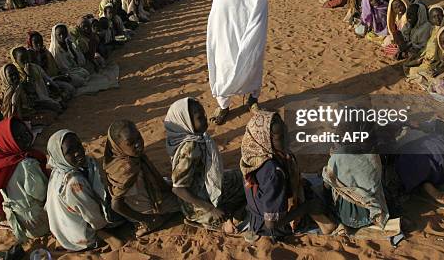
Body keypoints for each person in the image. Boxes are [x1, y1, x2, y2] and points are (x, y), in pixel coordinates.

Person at [241, 111, 335, 239]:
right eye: (280, 137)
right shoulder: (274, 172)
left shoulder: (252, 156)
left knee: (305, 186)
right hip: (272, 228)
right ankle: (324, 224)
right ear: (266, 141)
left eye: (285, 132)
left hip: (257, 216)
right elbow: (271, 224)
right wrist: (306, 208)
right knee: (314, 200)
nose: (286, 139)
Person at [165, 98, 245, 231]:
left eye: (204, 115)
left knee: (242, 178)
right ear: (186, 121)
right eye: (200, 117)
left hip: (203, 185)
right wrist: (211, 208)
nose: (205, 119)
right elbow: (178, 188)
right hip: (196, 202)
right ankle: (205, 221)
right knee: (227, 221)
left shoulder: (194, 137)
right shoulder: (190, 148)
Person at [104, 120, 180, 237]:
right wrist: (146, 219)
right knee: (185, 200)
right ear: (118, 146)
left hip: (142, 197)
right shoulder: (127, 168)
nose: (138, 144)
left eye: (139, 138)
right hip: (146, 209)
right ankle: (153, 222)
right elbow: (116, 205)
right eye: (131, 143)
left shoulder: (129, 157)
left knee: (175, 185)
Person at [46, 130, 117, 251]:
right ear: (60, 155)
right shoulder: (74, 182)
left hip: (62, 230)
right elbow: (93, 216)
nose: (78, 153)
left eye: (79, 146)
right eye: (70, 151)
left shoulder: (58, 169)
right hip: (81, 237)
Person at [321, 108, 389, 230]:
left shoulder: (339, 156)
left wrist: (333, 158)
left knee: (330, 181)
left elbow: (328, 183)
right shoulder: (373, 155)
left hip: (347, 218)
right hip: (372, 214)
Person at [0, 117, 50, 240]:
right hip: (39, 223)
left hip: (17, 223)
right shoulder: (27, 164)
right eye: (18, 138)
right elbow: (40, 194)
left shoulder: (0, 165)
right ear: (8, 141)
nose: (25, 138)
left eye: (25, 133)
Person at [10, 47, 64, 113]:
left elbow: (47, 78)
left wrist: (54, 86)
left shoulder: (35, 67)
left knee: (67, 90)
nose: (26, 61)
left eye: (27, 58)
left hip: (45, 94)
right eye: (22, 59)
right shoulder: (17, 74)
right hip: (35, 101)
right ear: (15, 60)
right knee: (55, 107)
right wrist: (28, 75)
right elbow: (29, 90)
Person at [404, 5, 444, 87]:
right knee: (410, 68)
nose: (437, 19)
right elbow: (428, 47)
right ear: (430, 19)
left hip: (438, 62)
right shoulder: (432, 29)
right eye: (434, 17)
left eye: (439, 16)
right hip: (427, 60)